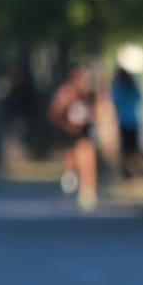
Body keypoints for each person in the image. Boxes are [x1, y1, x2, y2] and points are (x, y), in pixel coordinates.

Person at [47, 65, 99, 212]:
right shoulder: (67, 93)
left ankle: (88, 190)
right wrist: (65, 124)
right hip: (70, 132)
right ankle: (71, 175)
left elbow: (98, 111)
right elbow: (54, 112)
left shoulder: (89, 95)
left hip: (84, 133)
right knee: (73, 157)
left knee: (87, 158)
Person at [110, 65, 143, 179]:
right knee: (132, 150)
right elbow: (139, 99)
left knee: (127, 150)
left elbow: (114, 102)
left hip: (125, 123)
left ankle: (129, 173)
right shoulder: (130, 87)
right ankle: (131, 171)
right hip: (131, 122)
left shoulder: (119, 88)